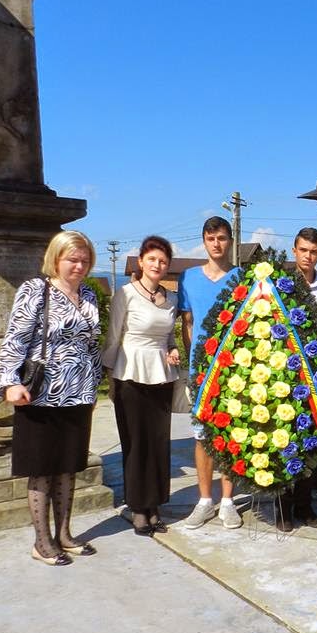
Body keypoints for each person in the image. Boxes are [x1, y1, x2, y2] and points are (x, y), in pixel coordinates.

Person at [0, 231, 102, 565]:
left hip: (79, 392)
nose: (79, 265)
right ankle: (42, 542)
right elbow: (15, 339)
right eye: (72, 259)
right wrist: (10, 382)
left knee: (68, 466)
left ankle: (65, 534)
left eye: (85, 260)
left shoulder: (88, 294)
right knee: (42, 469)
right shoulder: (35, 290)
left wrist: (96, 383)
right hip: (41, 394)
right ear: (55, 259)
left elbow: (91, 345)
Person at [104, 236, 181, 536]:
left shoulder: (171, 298)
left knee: (159, 443)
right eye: (152, 259)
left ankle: (155, 504)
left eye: (162, 261)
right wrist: (109, 375)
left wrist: (174, 349)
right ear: (141, 262)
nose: (157, 265)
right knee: (136, 444)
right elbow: (113, 337)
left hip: (162, 375)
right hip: (130, 374)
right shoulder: (125, 294)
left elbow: (170, 338)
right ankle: (138, 506)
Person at [178, 217, 242, 530]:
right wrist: (196, 360)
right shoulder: (188, 278)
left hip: (234, 370)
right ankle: (205, 500)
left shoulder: (241, 277)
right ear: (204, 241)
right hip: (200, 372)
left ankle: (228, 501)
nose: (216, 244)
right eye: (211, 238)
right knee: (202, 437)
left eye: (222, 238)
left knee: (229, 435)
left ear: (231, 240)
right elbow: (187, 323)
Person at [276, 227, 317, 532]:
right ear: (294, 250)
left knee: (310, 442)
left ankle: (305, 504)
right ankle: (283, 507)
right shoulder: (279, 286)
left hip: (314, 378)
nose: (308, 256)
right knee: (284, 440)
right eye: (303, 250)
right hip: (284, 376)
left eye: (314, 251)